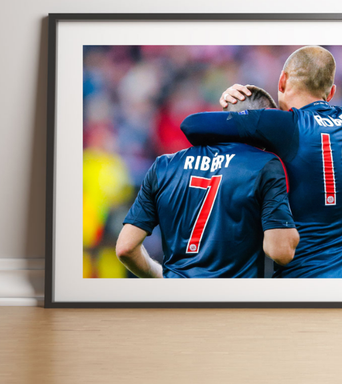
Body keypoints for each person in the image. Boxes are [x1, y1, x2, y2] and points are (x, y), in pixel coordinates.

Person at [181, 46, 342, 278]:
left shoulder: (286, 125)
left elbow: (191, 125)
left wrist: (231, 103)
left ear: (282, 80)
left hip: (309, 283)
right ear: (331, 92)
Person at [116, 86, 299, 278]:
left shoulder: (163, 165)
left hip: (177, 294)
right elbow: (281, 252)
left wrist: (161, 277)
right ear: (263, 124)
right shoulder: (264, 165)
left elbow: (125, 248)